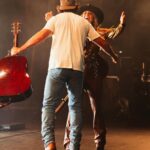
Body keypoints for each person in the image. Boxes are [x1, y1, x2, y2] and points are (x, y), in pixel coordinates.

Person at [11, 1, 118, 150]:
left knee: (48, 106)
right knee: (75, 107)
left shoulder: (55, 20)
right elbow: (102, 43)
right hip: (77, 70)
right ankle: (74, 146)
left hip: (57, 67)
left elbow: (39, 36)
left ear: (60, 8)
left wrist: (20, 49)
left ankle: (49, 144)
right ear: (76, 8)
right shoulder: (83, 22)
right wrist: (113, 56)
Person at [60, 4, 125, 150]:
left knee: (96, 106)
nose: (85, 15)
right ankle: (68, 142)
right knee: (73, 106)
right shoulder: (76, 30)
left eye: (89, 14)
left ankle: (100, 142)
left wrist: (121, 24)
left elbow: (114, 33)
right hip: (77, 70)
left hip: (94, 72)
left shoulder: (99, 31)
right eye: (83, 14)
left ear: (94, 18)